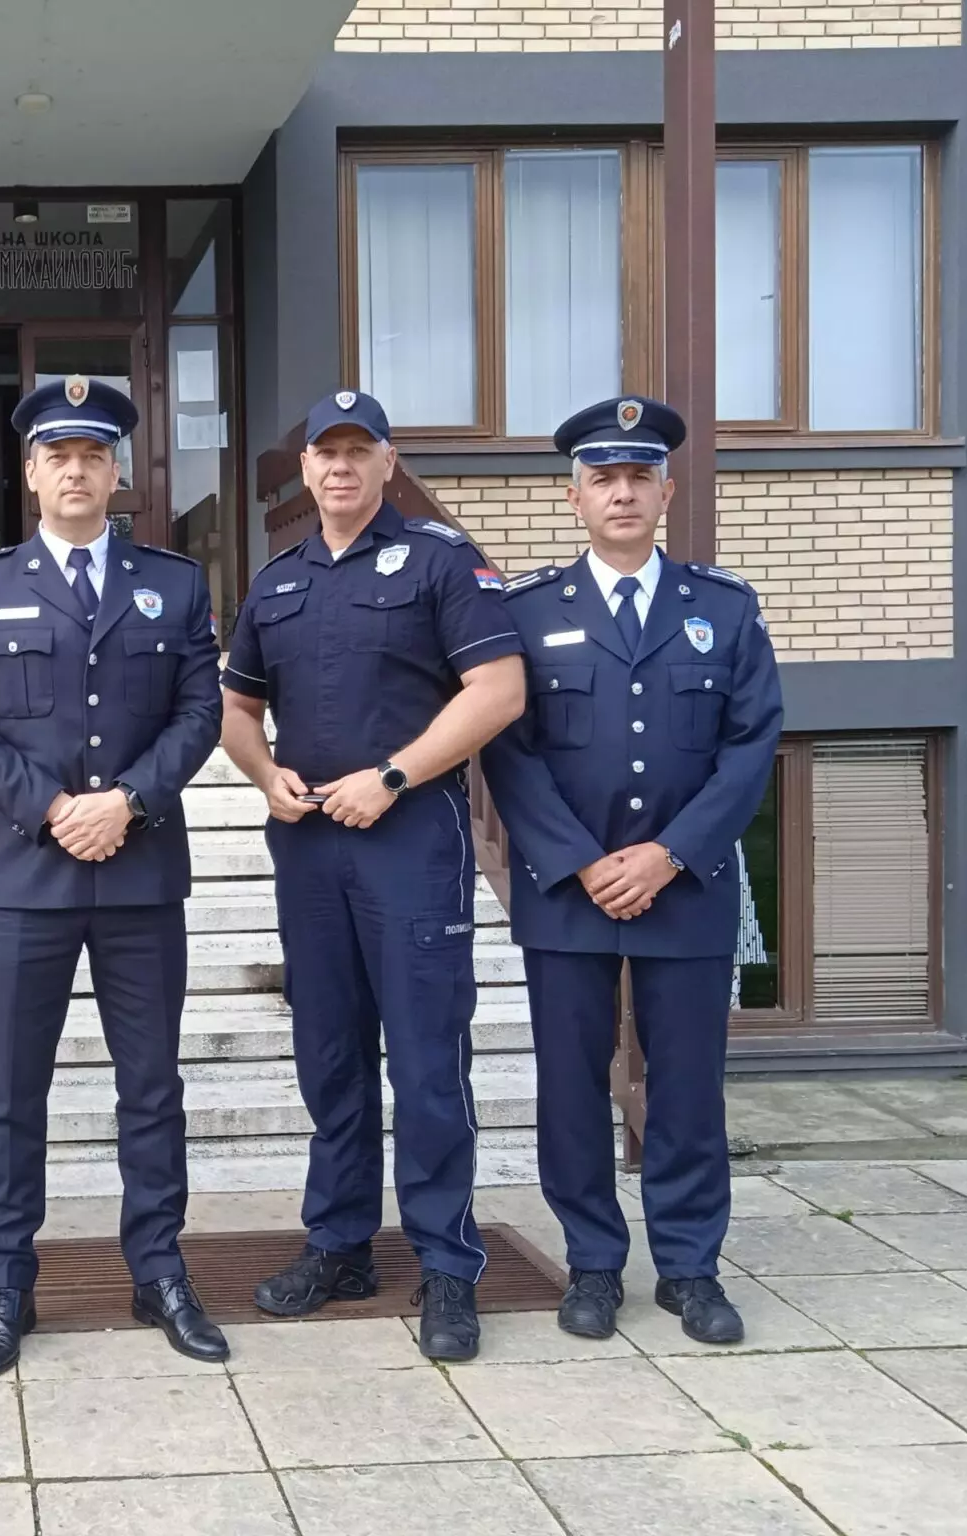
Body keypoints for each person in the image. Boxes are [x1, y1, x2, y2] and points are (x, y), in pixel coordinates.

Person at [221, 390, 525, 1362]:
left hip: (410, 845)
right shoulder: (276, 581)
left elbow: (498, 690)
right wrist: (264, 774)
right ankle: (339, 1245)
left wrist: (393, 775)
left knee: (427, 1063)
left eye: (360, 451)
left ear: (387, 463)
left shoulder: (441, 562)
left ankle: (447, 1265)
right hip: (310, 849)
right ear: (306, 469)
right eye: (327, 452)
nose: (342, 467)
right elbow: (235, 708)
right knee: (330, 1057)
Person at [0, 375, 225, 1376]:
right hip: (28, 875)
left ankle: (160, 1271)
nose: (75, 471)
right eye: (57, 455)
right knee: (14, 1090)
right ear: (28, 473)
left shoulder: (174, 584)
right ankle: (8, 1281)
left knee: (151, 1086)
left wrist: (128, 802)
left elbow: (199, 712)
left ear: (116, 473)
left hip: (141, 874)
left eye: (92, 455)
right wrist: (54, 807)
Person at [480, 397, 782, 1346]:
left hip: (685, 888)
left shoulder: (722, 608)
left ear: (666, 492)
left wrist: (669, 854)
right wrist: (578, 861)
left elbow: (751, 747)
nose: (622, 493)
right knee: (570, 1088)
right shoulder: (528, 610)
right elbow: (509, 750)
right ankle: (593, 1264)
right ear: (574, 498)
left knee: (688, 1088)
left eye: (638, 477)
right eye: (602, 478)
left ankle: (691, 1268)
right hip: (568, 893)